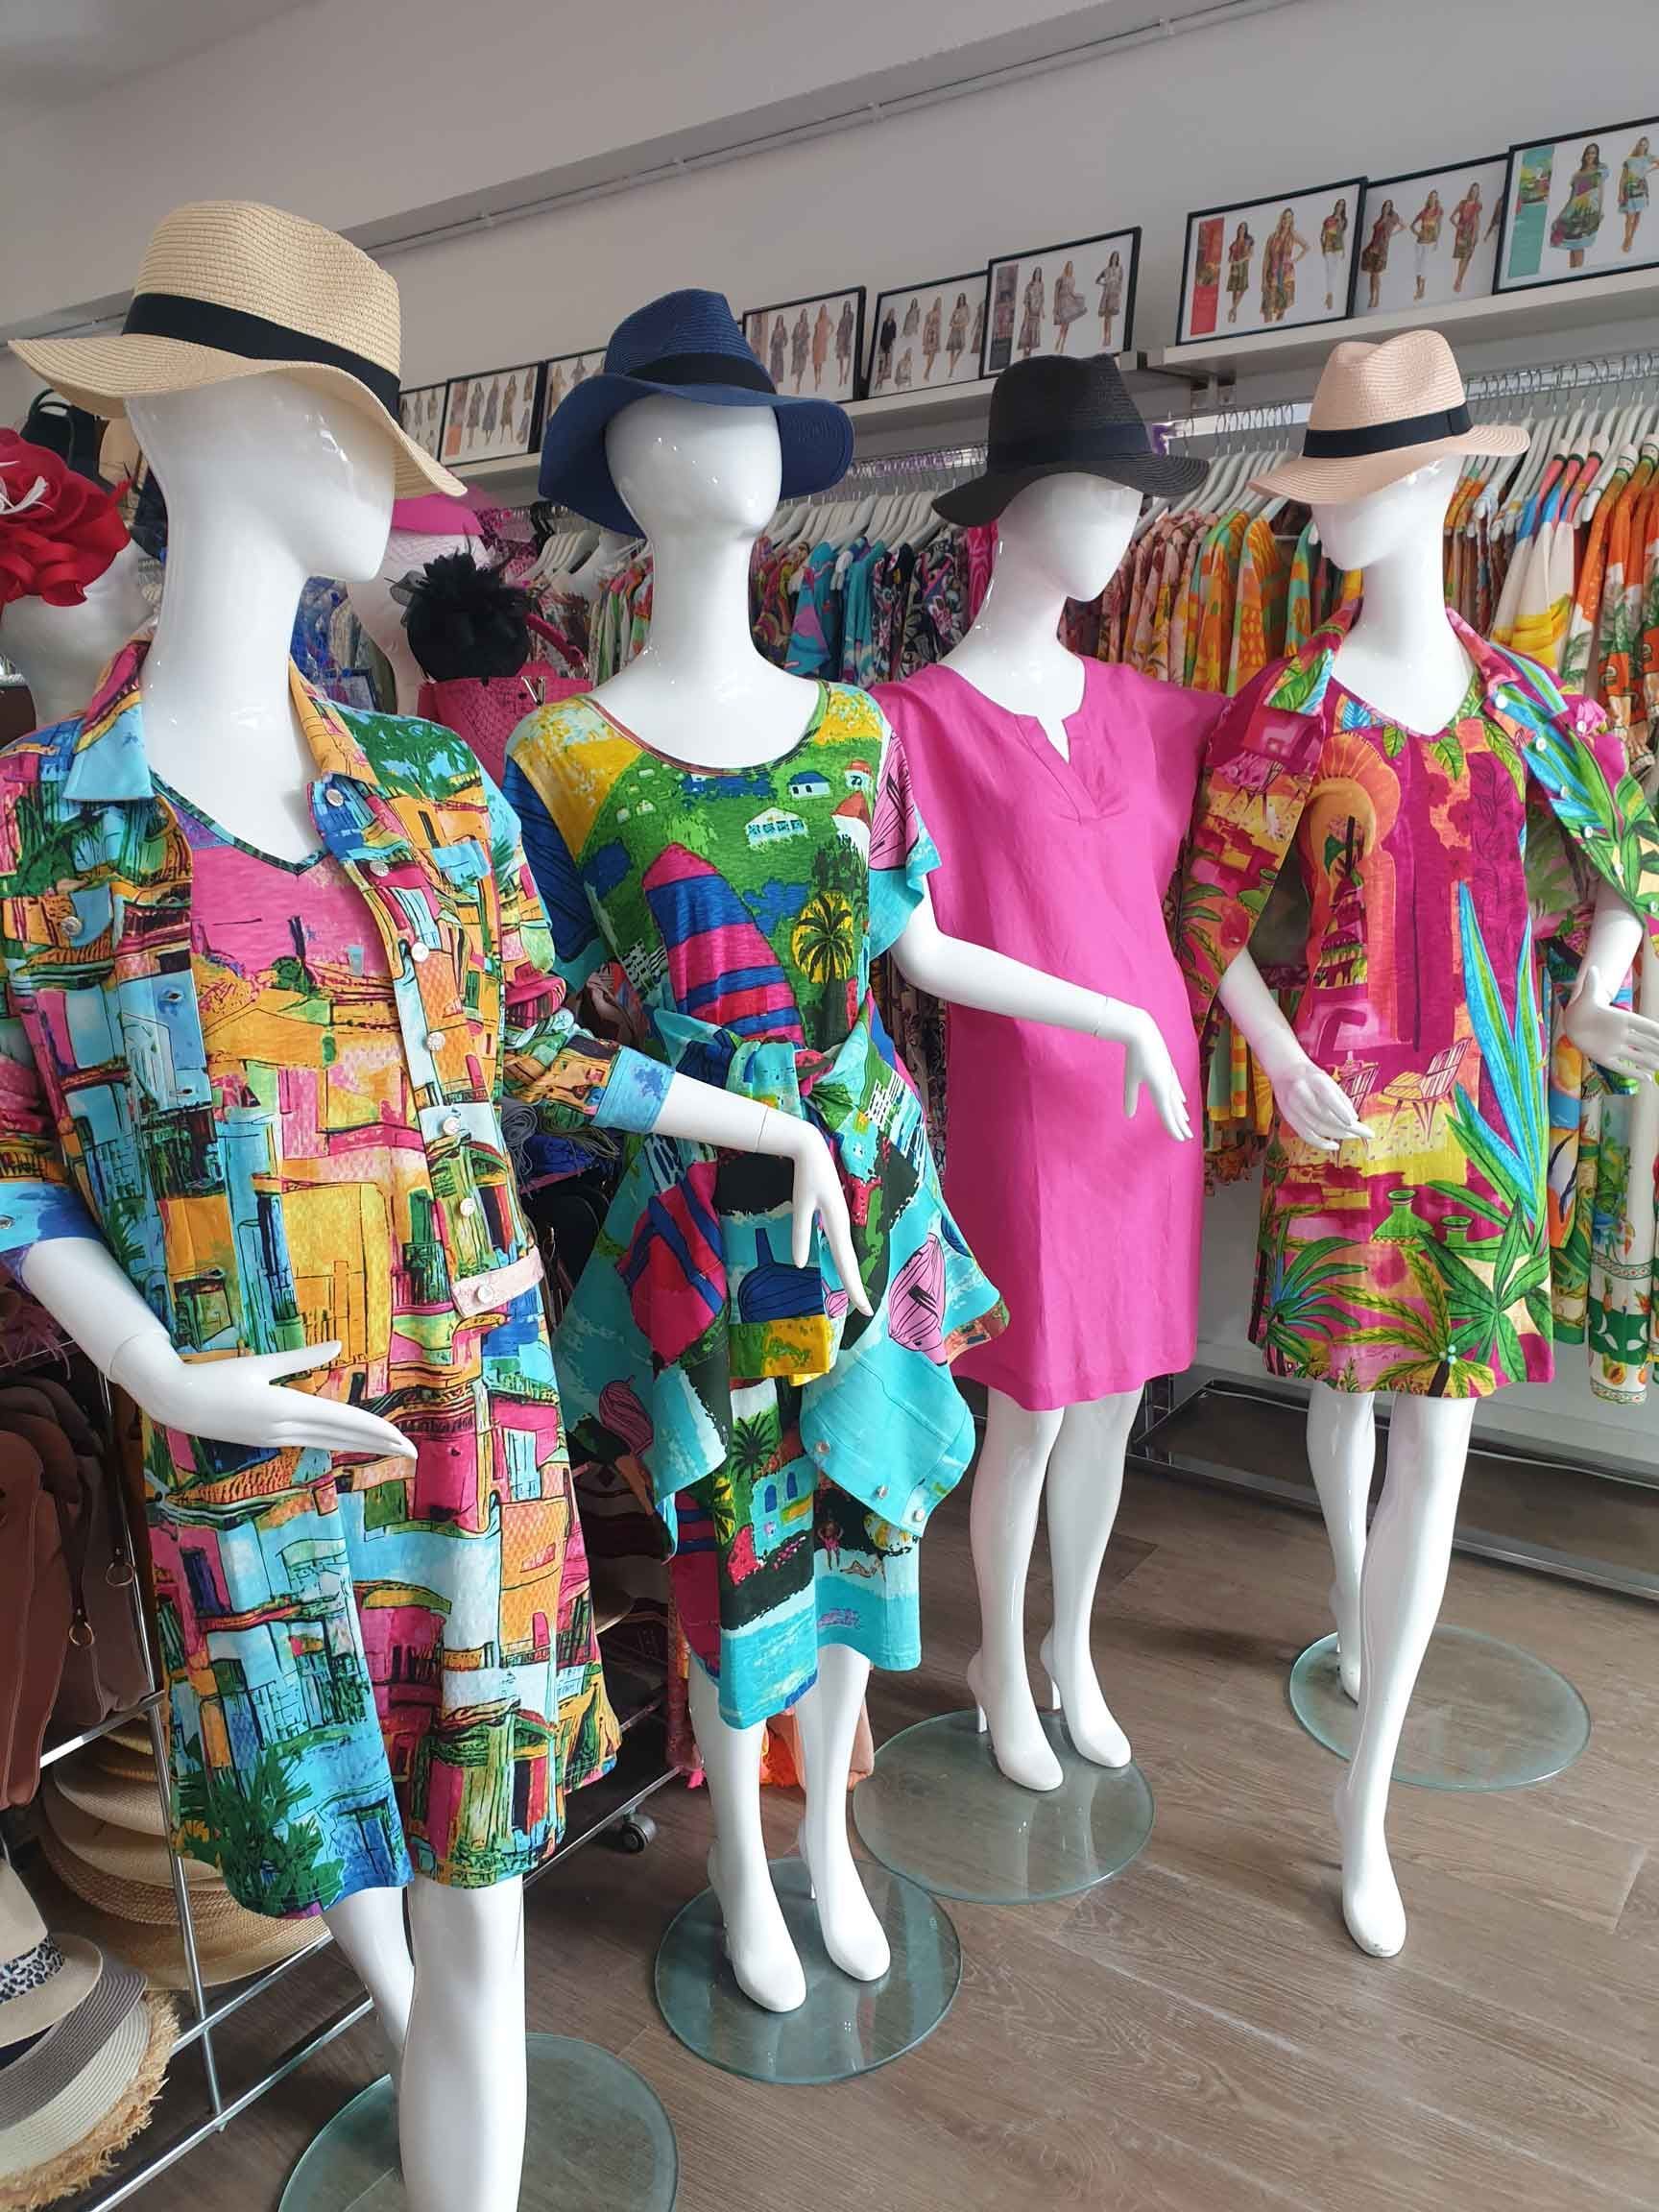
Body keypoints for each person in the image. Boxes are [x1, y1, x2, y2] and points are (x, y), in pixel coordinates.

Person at [1551, 141, 1608, 269]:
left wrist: (1600, 211)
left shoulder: (1600, 170)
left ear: (1596, 155)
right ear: (1584, 155)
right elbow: (1571, 198)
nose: (1590, 155)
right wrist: (1560, 216)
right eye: (1588, 153)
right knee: (1572, 245)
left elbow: (1600, 190)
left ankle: (1577, 274)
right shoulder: (1577, 175)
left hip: (1588, 211)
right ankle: (1571, 274)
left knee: (1579, 244)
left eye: (1593, 153)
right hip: (1573, 211)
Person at [1261, 208, 1309, 325]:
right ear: (1281, 219)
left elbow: (1306, 247)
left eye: (1289, 217)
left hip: (1287, 274)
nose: (1287, 220)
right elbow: (1266, 259)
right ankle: (1268, 332)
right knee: (1268, 308)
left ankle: (1276, 330)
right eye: (1285, 217)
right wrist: (1263, 281)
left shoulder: (1293, 235)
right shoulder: (1272, 237)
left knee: (1282, 306)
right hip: (1272, 274)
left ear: (1292, 220)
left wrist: (1294, 260)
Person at [1359, 198, 1405, 311]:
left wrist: (1390, 235)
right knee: (1373, 274)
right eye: (1385, 205)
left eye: (1389, 206)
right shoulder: (1380, 218)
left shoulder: (1391, 218)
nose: (1386, 208)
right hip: (1372, 246)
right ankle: (1373, 297)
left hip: (1381, 247)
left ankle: (1375, 298)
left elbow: (1403, 226)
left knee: (1375, 273)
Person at [1621, 135, 1657, 256]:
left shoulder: (1647, 158)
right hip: (1629, 188)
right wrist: (1620, 192)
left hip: (1641, 188)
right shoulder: (1629, 159)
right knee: (1629, 217)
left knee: (1637, 215)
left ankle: (1630, 239)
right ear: (1638, 145)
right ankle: (1627, 238)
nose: (1643, 146)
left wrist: (1647, 172)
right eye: (1641, 144)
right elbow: (1622, 178)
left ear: (1647, 146)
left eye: (1645, 144)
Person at [1451, 181, 1486, 293]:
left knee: (1467, 258)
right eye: (1473, 190)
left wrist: (1475, 235)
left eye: (1477, 190)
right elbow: (1451, 218)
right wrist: (1458, 226)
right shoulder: (1462, 203)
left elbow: (1477, 221)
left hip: (1471, 234)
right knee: (1462, 258)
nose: (1474, 192)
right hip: (1461, 234)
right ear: (1470, 191)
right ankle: (1458, 279)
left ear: (1478, 192)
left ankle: (1458, 281)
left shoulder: (1478, 205)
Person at [1409, 189, 1444, 301]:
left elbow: (1439, 226)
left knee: (1424, 266)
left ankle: (1421, 290)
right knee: (1418, 267)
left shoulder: (1439, 210)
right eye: (1431, 196)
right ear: (1429, 198)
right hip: (1420, 241)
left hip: (1430, 241)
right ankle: (1418, 289)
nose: (1433, 198)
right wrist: (1417, 233)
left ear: (1436, 198)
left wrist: (1437, 241)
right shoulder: (1423, 212)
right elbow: (1412, 225)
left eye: (1435, 196)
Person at [1321, 198, 1350, 312]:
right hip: (1328, 247)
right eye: (1339, 204)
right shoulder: (1328, 219)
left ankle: (1330, 295)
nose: (1340, 207)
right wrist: (1323, 248)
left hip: (1338, 247)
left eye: (1342, 205)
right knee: (1329, 270)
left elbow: (1343, 236)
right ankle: (1329, 295)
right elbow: (1322, 235)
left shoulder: (1344, 220)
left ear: (1343, 208)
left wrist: (1344, 250)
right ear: (1336, 206)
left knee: (1334, 271)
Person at [1052, 259, 1086, 353]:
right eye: (1069, 266)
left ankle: (1062, 343)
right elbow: (1056, 293)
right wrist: (1055, 306)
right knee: (1063, 323)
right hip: (1062, 302)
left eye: (1072, 267)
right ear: (1066, 267)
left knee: (1067, 325)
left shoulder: (1072, 279)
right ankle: (1059, 340)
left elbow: (1072, 293)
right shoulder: (1061, 278)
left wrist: (1080, 296)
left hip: (1069, 302)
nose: (1070, 268)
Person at [1226, 223, 1254, 325]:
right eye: (1240, 228)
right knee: (1235, 289)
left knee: (1242, 288)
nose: (1242, 229)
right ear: (1238, 229)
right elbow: (1229, 258)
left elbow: (1251, 254)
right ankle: (1234, 314)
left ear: (1246, 230)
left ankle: (1232, 309)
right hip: (1235, 267)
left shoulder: (1249, 240)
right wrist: (1232, 261)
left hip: (1243, 266)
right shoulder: (1234, 243)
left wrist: (1241, 261)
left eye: (1244, 228)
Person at [1096, 252, 1124, 349]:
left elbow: (1120, 281)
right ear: (1111, 258)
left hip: (1114, 293)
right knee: (1106, 317)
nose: (1114, 259)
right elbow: (1097, 280)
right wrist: (1103, 284)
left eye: (1116, 257)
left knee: (1110, 316)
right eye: (1113, 257)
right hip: (1107, 292)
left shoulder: (1119, 268)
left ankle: (1108, 337)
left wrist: (1118, 291)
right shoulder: (1106, 269)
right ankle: (1105, 337)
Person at [1018, 265, 1046, 359]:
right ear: (1034, 274)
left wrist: (1042, 312)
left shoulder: (1042, 285)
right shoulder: (1029, 285)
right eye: (1036, 272)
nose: (1037, 274)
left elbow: (1042, 299)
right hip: (1029, 311)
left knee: (1034, 332)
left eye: (1039, 273)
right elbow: (1026, 300)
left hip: (1037, 312)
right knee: (1026, 330)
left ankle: (1029, 355)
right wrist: (1027, 311)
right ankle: (1024, 354)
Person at [946, 291, 971, 378]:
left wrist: (959, 325)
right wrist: (954, 325)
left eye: (962, 299)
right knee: (952, 349)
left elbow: (968, 320)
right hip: (954, 330)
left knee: (962, 347)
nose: (961, 300)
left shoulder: (966, 308)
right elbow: (950, 322)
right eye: (960, 299)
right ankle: (951, 370)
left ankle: (953, 365)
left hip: (961, 330)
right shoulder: (956, 310)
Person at [875, 303, 899, 388]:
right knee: (881, 364)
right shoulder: (884, 323)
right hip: (882, 345)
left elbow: (894, 336)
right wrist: (880, 347)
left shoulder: (894, 324)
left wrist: (892, 345)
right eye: (890, 313)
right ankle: (878, 380)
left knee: (887, 365)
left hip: (889, 345)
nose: (891, 315)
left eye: (893, 314)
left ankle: (880, 382)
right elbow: (881, 335)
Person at [834, 297, 855, 389]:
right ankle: (842, 375)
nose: (846, 308)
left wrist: (850, 338)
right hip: (841, 338)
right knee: (841, 358)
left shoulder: (851, 315)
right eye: (845, 306)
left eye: (848, 306)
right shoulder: (842, 317)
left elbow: (852, 328)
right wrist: (837, 343)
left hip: (848, 337)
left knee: (849, 356)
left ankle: (846, 374)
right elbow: (839, 330)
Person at [811, 301, 832, 393]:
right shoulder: (818, 321)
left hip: (822, 342)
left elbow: (833, 327)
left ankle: (819, 378)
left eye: (824, 309)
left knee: (819, 362)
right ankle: (816, 379)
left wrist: (828, 335)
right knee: (815, 362)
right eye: (822, 309)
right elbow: (815, 334)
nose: (823, 311)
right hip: (816, 342)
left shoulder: (827, 319)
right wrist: (812, 344)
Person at [922, 294, 944, 380]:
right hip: (930, 335)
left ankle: (927, 372)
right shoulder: (930, 314)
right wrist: (924, 339)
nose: (938, 305)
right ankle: (927, 372)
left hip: (936, 337)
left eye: (940, 303)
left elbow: (939, 328)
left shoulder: (939, 314)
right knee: (931, 354)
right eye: (937, 303)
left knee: (933, 355)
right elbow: (926, 326)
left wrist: (939, 340)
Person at [791, 306, 810, 392]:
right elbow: (793, 336)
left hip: (803, 347)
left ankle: (798, 383)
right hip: (797, 347)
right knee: (796, 365)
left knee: (802, 366)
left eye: (805, 315)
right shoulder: (797, 324)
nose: (804, 316)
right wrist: (797, 341)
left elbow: (807, 337)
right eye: (803, 315)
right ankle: (796, 382)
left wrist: (806, 345)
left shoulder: (807, 325)